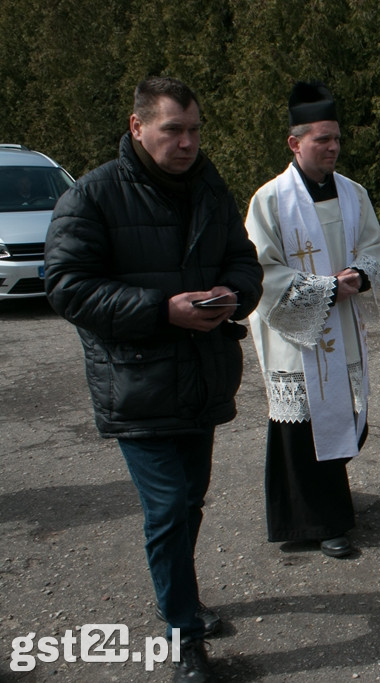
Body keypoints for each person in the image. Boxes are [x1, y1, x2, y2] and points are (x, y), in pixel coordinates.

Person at [45, 76, 262, 683]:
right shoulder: (92, 196)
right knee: (168, 506)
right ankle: (184, 638)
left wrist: (232, 294)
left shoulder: (210, 187)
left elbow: (243, 259)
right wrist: (161, 308)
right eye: (174, 129)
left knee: (189, 502)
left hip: (201, 375)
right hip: (136, 382)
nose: (188, 142)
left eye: (195, 129)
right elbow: (65, 285)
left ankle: (179, 600)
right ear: (139, 127)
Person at [245, 81, 380, 560]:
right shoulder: (269, 200)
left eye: (336, 138)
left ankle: (322, 504)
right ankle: (320, 521)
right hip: (295, 334)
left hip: (341, 328)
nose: (332, 147)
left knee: (345, 417)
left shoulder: (353, 193)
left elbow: (374, 246)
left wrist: (361, 275)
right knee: (301, 427)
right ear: (295, 143)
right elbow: (260, 269)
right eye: (322, 139)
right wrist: (326, 288)